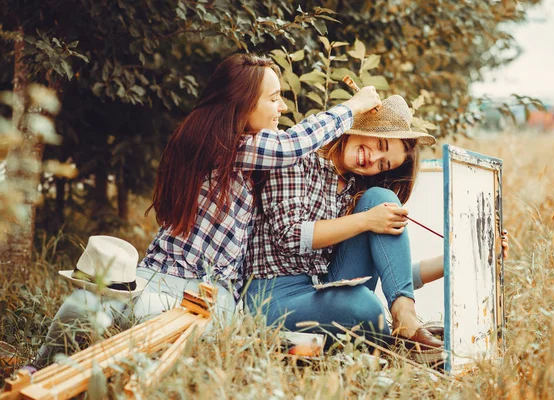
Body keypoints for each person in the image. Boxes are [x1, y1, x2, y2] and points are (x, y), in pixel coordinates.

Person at [29, 53, 382, 369]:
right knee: (93, 306)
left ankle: (62, 362)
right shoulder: (228, 147)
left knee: (116, 315)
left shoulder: (224, 148)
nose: (282, 108)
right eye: (274, 99)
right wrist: (352, 106)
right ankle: (48, 367)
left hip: (192, 288)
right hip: (178, 284)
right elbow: (291, 146)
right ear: (243, 105)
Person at [243, 94, 509, 359]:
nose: (373, 159)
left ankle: (405, 319)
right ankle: (389, 340)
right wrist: (366, 220)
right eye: (380, 144)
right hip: (273, 298)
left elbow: (394, 276)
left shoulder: (352, 191)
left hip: (322, 292)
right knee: (365, 306)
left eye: (383, 164)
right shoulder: (298, 155)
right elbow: (290, 236)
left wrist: (464, 258)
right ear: (362, 125)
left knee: (380, 199)